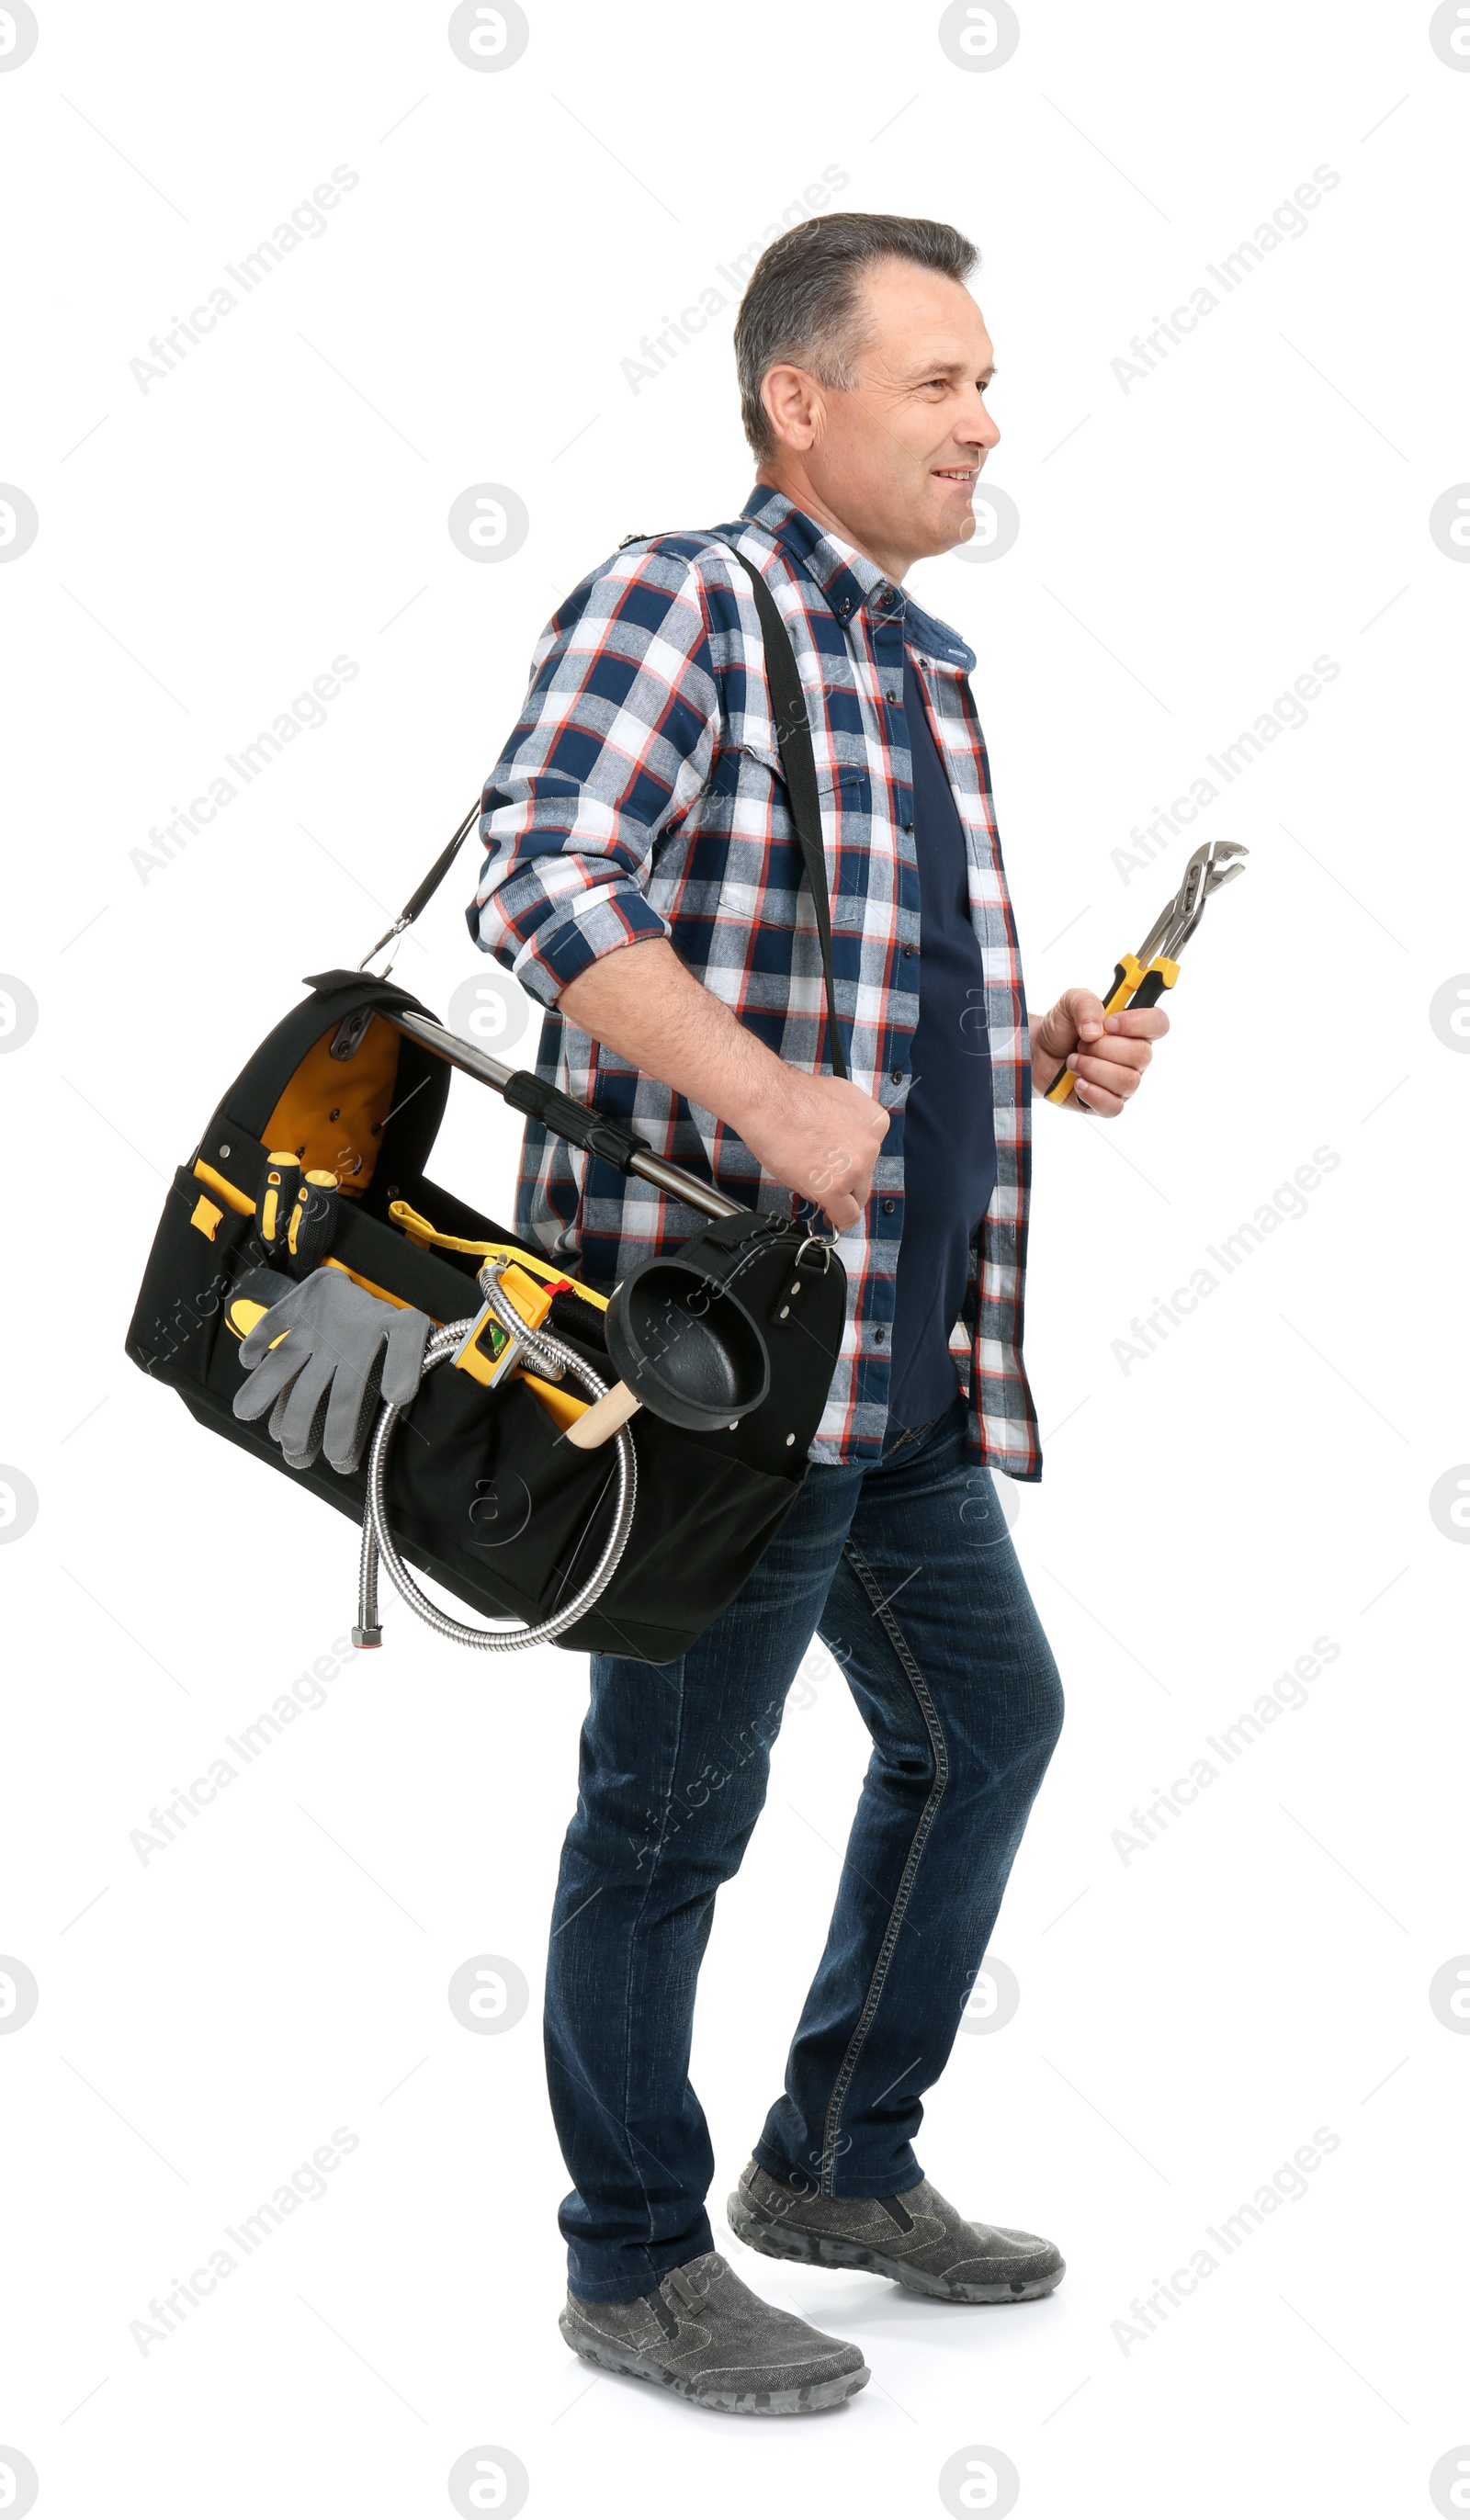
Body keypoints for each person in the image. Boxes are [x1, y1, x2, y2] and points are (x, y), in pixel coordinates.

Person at [465, 212, 1169, 2418]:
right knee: (670, 1815)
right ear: (802, 401)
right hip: (722, 1375)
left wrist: (1025, 1046)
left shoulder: (915, 665)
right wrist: (764, 1096)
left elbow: (873, 991)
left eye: (982, 381)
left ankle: (836, 2161)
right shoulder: (686, 597)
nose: (985, 418)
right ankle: (632, 2257)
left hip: (904, 1359)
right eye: (939, 379)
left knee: (986, 1728)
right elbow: (540, 867)